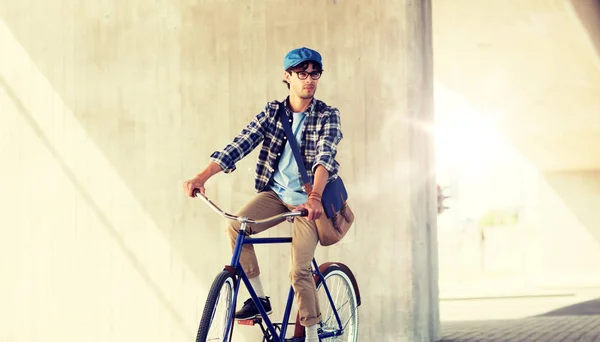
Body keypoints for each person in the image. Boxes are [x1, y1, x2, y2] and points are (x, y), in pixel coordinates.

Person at [183, 47, 343, 342]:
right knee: (236, 226)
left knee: (299, 270)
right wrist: (201, 177)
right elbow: (241, 143)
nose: (309, 80)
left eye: (314, 74)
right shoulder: (273, 113)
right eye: (302, 73)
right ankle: (259, 301)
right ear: (287, 76)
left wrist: (315, 198)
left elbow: (325, 157)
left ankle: (309, 333)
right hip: (276, 195)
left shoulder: (327, 115)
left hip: (307, 203)